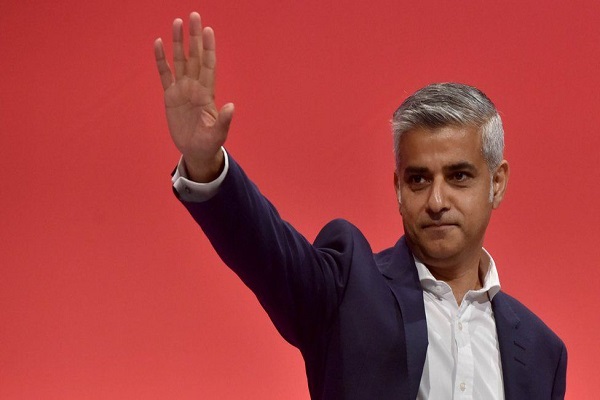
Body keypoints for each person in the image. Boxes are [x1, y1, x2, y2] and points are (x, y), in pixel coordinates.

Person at [154, 12, 567, 400]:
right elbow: (266, 251)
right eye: (418, 179)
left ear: (497, 183)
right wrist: (206, 164)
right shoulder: (348, 289)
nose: (437, 201)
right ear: (398, 189)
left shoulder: (542, 352)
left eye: (458, 176)